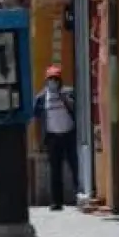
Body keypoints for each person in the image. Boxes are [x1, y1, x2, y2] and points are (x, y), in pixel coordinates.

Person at [33, 66, 79, 210]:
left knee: (75, 166)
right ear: (46, 81)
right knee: (55, 170)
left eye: (56, 79)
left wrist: (64, 97)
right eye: (51, 79)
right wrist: (39, 141)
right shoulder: (41, 98)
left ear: (60, 80)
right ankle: (56, 202)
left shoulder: (68, 92)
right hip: (53, 137)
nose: (53, 82)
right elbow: (35, 116)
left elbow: (76, 109)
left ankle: (80, 195)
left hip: (69, 135)